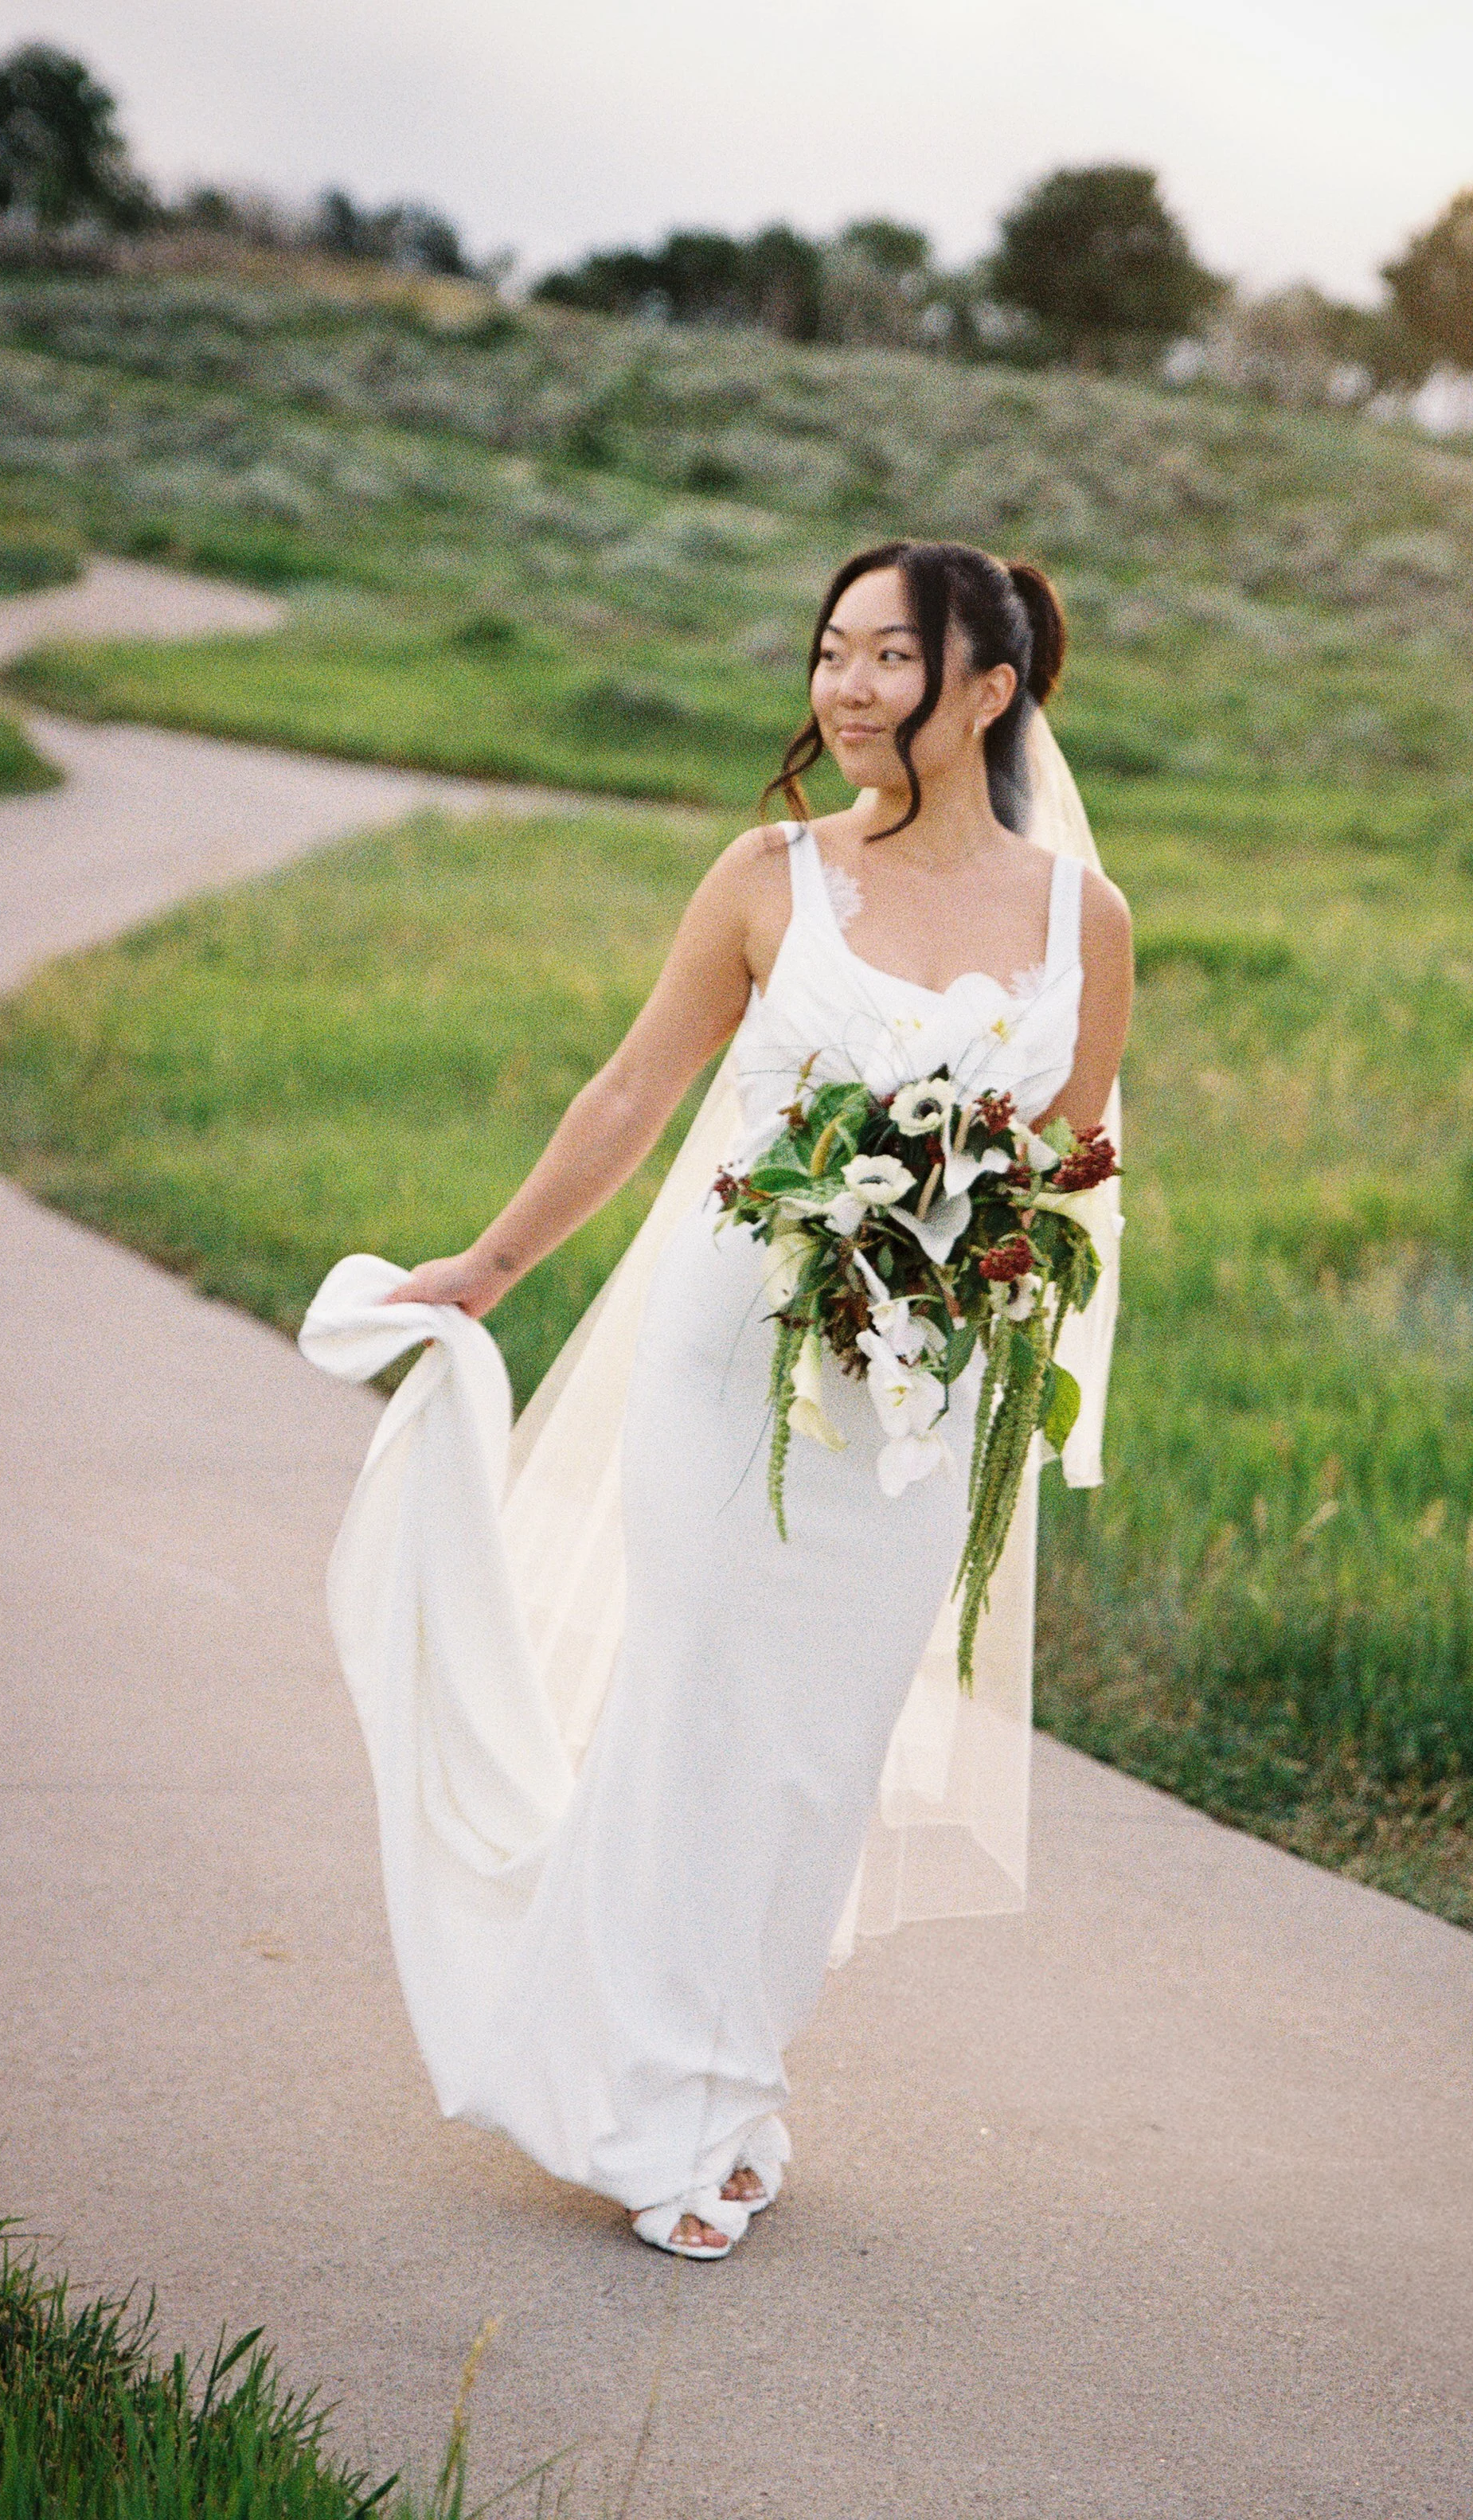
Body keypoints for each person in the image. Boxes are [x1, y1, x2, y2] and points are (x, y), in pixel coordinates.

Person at [302, 539, 1132, 2259]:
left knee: (813, 1752)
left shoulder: (1083, 923)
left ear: (989, 688)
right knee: (695, 1706)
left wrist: (964, 1244)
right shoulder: (767, 878)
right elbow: (629, 1091)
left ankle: (728, 2070)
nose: (841, 689)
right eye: (829, 652)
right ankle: (660, 2116)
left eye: (887, 660)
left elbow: (1066, 1173)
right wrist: (485, 1267)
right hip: (724, 1359)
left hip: (911, 1406)